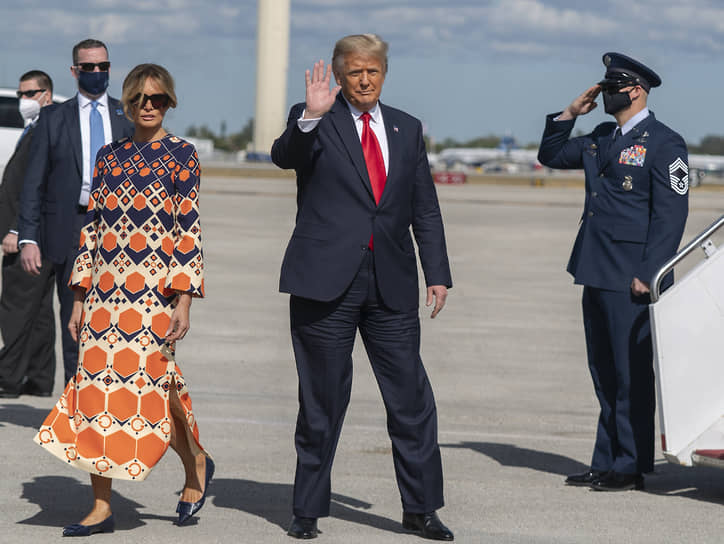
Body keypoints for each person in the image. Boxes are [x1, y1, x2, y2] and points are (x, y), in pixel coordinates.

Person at [272, 34, 454, 541]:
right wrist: (309, 115)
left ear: (384, 72)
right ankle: (307, 509)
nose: (365, 79)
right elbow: (285, 155)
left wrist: (436, 271)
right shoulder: (315, 118)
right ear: (339, 74)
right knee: (322, 402)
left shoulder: (406, 127)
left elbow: (424, 207)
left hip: (391, 284)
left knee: (412, 401)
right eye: (354, 71)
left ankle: (420, 508)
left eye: (373, 70)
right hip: (325, 283)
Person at [34, 63, 213, 536]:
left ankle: (194, 461)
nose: (148, 106)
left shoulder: (182, 155)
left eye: (157, 99)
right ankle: (101, 506)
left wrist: (184, 300)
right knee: (97, 395)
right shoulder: (109, 157)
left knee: (154, 391)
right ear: (127, 104)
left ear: (169, 102)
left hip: (154, 296)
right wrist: (78, 297)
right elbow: (92, 229)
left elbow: (187, 230)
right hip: (103, 296)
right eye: (139, 99)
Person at [538, 52, 689, 491]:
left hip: (633, 277)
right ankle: (606, 459)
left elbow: (670, 214)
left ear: (636, 89)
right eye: (604, 85)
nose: (606, 92)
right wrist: (569, 114)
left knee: (631, 374)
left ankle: (630, 465)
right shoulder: (602, 135)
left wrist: (651, 271)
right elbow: (551, 154)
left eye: (614, 85)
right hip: (596, 268)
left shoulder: (664, 142)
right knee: (604, 371)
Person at [18, 38, 134, 387]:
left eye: (103, 66)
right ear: (74, 71)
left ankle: (109, 400)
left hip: (117, 233)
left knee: (115, 322)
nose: (97, 73)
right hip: (71, 230)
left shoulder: (125, 116)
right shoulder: (54, 119)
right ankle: (75, 405)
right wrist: (27, 237)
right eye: (89, 67)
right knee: (75, 322)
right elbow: (32, 184)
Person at [0, 70, 55, 398]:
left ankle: (8, 377)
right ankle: (38, 376)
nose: (24, 101)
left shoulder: (44, 131)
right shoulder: (35, 129)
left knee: (16, 305)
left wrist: (16, 230)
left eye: (30, 93)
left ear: (47, 94)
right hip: (35, 233)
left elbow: (35, 186)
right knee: (38, 310)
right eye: (21, 94)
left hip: (26, 234)